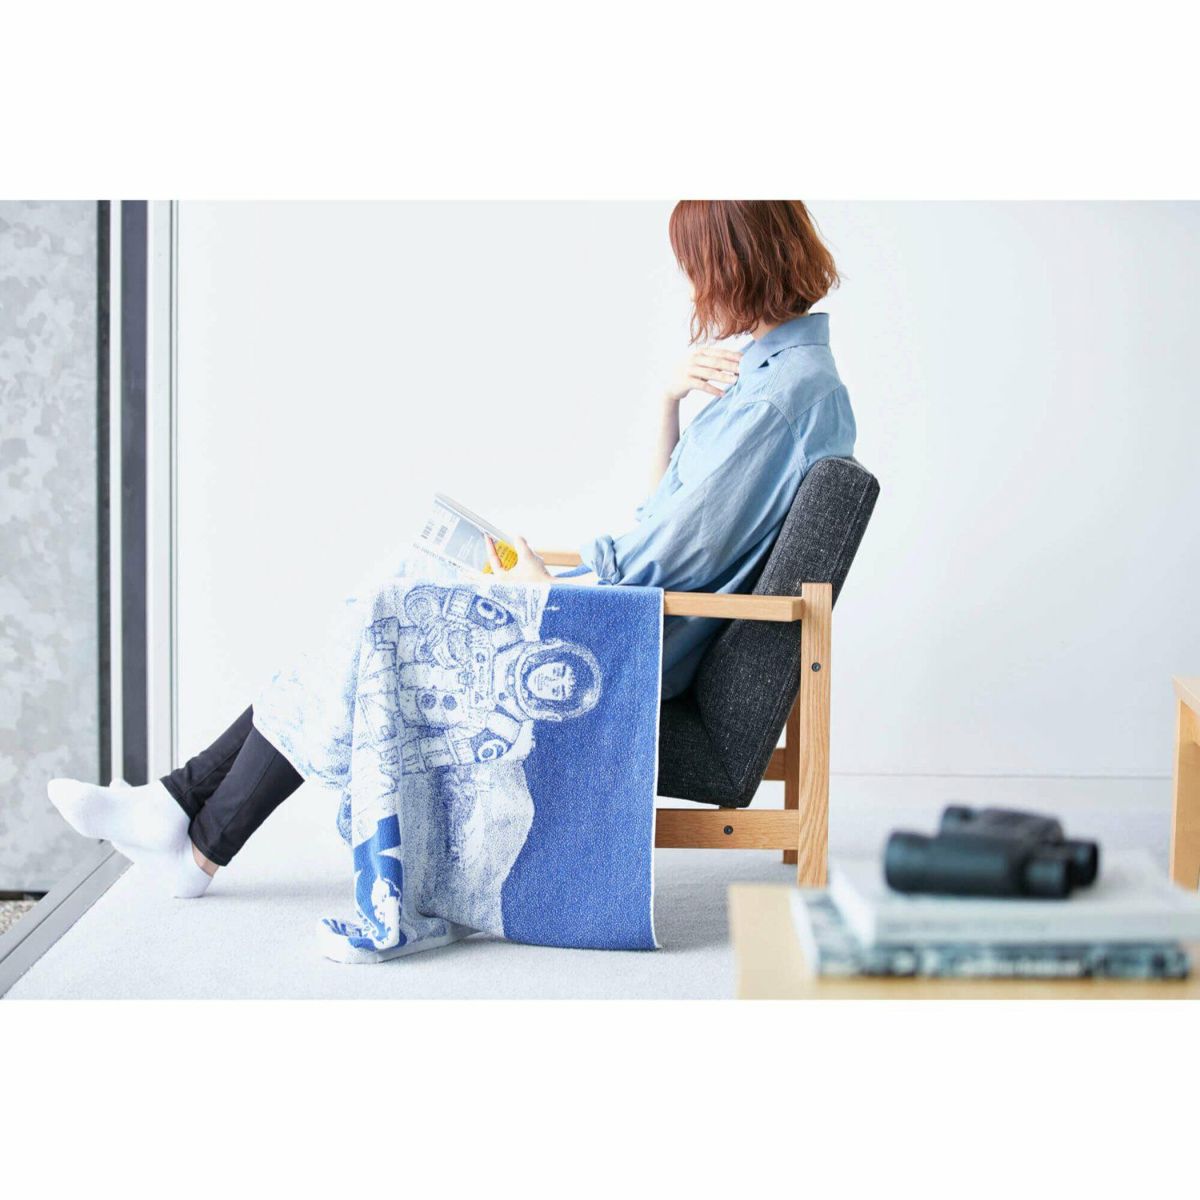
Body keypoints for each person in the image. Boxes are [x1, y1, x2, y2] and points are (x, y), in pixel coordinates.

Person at [48, 199, 857, 898]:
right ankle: (185, 817)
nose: (694, 289)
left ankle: (192, 832)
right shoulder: (781, 380)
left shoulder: (775, 402)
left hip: (619, 642)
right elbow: (663, 519)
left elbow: (659, 565)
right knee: (390, 594)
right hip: (631, 614)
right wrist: (667, 401)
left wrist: (542, 582)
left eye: (698, 269)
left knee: (386, 608)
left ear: (736, 264)